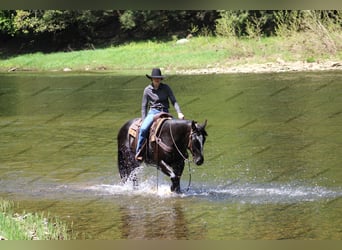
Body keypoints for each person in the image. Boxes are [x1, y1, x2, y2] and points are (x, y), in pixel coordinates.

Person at [135, 68, 184, 161]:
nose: (157, 80)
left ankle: (180, 152)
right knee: (143, 129)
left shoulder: (166, 88)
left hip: (165, 112)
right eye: (155, 78)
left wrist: (179, 112)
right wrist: (144, 119)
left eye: (158, 78)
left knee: (178, 129)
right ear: (151, 79)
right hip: (153, 113)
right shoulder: (147, 90)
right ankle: (139, 151)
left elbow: (174, 101)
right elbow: (144, 106)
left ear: (161, 79)